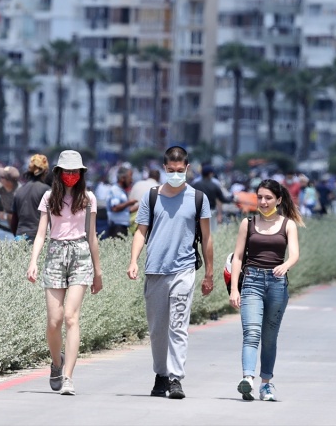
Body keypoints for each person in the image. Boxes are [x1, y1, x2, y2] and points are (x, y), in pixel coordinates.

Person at [127, 146, 214, 400]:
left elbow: (207, 238)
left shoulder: (198, 198)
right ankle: (161, 374)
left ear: (187, 168)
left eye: (180, 170)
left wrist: (209, 273)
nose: (176, 174)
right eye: (171, 170)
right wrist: (133, 260)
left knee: (178, 325)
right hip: (155, 269)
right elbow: (141, 231)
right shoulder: (151, 197)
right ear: (165, 169)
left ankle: (176, 378)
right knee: (157, 328)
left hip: (183, 270)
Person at [26, 150, 103, 396]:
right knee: (54, 321)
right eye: (66, 171)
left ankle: (68, 377)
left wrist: (98, 272)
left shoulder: (89, 198)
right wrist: (33, 261)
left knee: (71, 317)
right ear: (58, 173)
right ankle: (56, 364)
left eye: (75, 172)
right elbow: (41, 233)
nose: (71, 176)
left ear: (81, 174)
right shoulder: (49, 197)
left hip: (80, 253)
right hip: (55, 252)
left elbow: (92, 236)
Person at [229, 179, 304, 402]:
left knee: (269, 337)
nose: (263, 201)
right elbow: (238, 257)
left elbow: (295, 254)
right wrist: (235, 288)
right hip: (251, 281)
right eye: (260, 197)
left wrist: (285, 265)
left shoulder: (287, 224)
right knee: (251, 333)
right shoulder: (248, 223)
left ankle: (266, 385)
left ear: (278, 200)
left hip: (277, 284)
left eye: (268, 198)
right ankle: (248, 380)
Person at [11, 154, 50, 241]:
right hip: (37, 238)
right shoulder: (46, 190)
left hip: (19, 237)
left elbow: (14, 221)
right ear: (45, 171)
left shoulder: (19, 191)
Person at [191, 165, 226, 232]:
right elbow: (221, 199)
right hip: (211, 211)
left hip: (198, 212)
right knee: (211, 232)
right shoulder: (215, 184)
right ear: (210, 173)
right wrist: (220, 214)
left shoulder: (195, 183)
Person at [106, 166, 137, 238]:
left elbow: (125, 210)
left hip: (122, 226)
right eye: (130, 177)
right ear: (123, 178)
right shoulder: (115, 190)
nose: (131, 180)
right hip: (117, 227)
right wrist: (129, 203)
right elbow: (115, 208)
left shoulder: (121, 191)